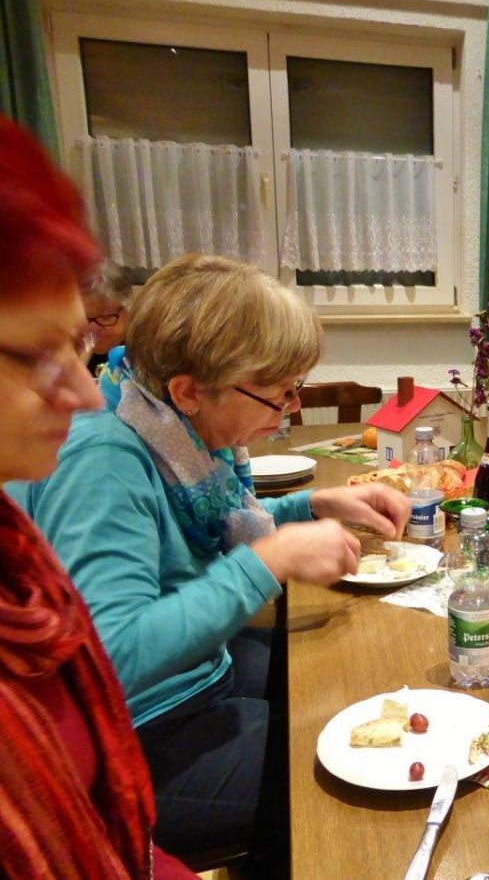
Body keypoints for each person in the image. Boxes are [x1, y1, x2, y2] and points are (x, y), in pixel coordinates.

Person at [8, 252, 412, 869]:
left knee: (337, 681)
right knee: (341, 766)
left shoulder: (160, 424)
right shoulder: (103, 460)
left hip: (191, 680)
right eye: (278, 393)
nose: (290, 408)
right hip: (134, 735)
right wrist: (269, 561)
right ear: (189, 392)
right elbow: (109, 658)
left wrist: (312, 504)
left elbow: (212, 521)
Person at [0, 116, 195, 877]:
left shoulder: (16, 559)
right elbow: (123, 645)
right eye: (37, 355)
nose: (87, 394)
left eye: (78, 346)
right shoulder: (103, 454)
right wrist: (266, 562)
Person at [84, 260, 132, 375]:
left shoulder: (145, 348)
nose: (93, 329)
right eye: (84, 318)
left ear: (129, 310)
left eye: (105, 317)